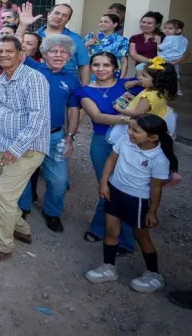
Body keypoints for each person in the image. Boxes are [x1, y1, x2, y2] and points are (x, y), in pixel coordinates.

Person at [0, 36, 50, 264]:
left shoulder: (33, 79)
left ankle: (3, 245)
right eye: (0, 52)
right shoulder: (3, 79)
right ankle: (20, 227)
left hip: (27, 148)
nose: (4, 55)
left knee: (5, 196)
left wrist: (16, 149)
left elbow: (38, 119)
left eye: (9, 51)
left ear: (21, 54)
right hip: (3, 144)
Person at [84, 115, 177, 293]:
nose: (130, 133)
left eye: (135, 131)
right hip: (115, 192)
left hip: (138, 200)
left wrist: (152, 212)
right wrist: (104, 183)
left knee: (141, 236)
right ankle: (108, 267)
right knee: (111, 231)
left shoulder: (159, 159)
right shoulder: (125, 140)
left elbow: (156, 189)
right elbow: (111, 160)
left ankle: (153, 273)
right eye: (130, 128)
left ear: (153, 137)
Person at [16, 35, 81, 233]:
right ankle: (23, 208)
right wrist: (23, 27)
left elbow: (73, 110)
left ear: (69, 56)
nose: (58, 55)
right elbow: (17, 49)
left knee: (59, 180)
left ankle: (52, 213)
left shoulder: (71, 79)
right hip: (29, 134)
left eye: (63, 52)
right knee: (23, 174)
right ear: (44, 54)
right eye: (54, 51)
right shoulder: (32, 68)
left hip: (55, 136)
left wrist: (70, 136)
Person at [76, 52, 140, 252]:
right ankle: (104, 229)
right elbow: (98, 117)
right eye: (96, 65)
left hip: (133, 143)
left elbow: (160, 87)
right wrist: (132, 120)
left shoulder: (130, 85)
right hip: (103, 143)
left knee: (127, 189)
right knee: (109, 187)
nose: (101, 69)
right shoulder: (84, 91)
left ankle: (120, 237)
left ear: (115, 67)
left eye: (106, 65)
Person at [19, 2, 90, 85]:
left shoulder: (75, 39)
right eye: (57, 13)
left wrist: (85, 90)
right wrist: (22, 25)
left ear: (68, 20)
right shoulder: (34, 37)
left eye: (64, 15)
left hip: (67, 85)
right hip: (35, 82)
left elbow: (84, 65)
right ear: (49, 14)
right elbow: (17, 53)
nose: (59, 17)